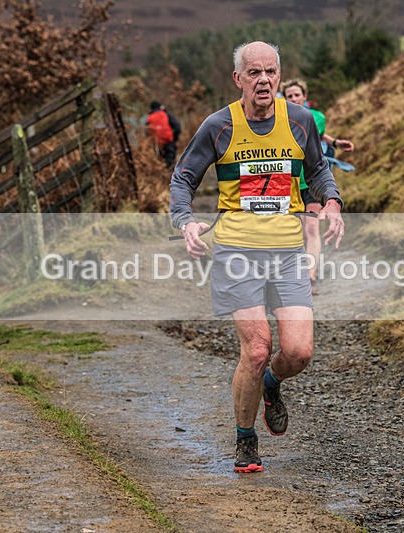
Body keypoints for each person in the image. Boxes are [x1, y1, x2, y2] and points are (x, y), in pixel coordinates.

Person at [169, 41, 345, 473]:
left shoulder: (300, 120)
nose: (263, 80)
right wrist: (185, 221)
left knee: (298, 352)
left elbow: (318, 169)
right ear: (239, 79)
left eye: (270, 72)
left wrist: (332, 201)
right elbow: (183, 178)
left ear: (279, 77)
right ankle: (246, 440)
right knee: (257, 347)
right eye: (254, 72)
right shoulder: (218, 126)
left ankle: (272, 383)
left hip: (287, 251)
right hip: (237, 251)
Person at [282, 78, 354, 295]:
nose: (294, 98)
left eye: (297, 95)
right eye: (289, 96)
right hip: (288, 183)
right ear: (284, 98)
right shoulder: (276, 118)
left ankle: (310, 277)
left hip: (311, 183)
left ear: (304, 96)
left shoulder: (317, 117)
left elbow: (315, 135)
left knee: (311, 228)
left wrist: (335, 143)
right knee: (294, 230)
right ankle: (292, 273)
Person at [147, 101, 181, 168]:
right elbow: (177, 127)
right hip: (168, 140)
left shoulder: (149, 118)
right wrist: (174, 138)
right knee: (171, 162)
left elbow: (147, 132)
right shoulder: (165, 114)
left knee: (162, 163)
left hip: (158, 143)